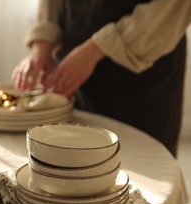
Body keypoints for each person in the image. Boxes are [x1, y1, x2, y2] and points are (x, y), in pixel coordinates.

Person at [12, 0, 191, 157]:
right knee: (74, 166)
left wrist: (95, 50)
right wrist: (43, 42)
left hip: (144, 71)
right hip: (73, 65)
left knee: (143, 180)